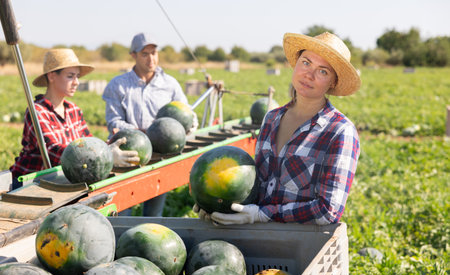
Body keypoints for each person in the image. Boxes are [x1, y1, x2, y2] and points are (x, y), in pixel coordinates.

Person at [196, 32, 361, 225]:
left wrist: (263, 215)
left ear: (333, 82)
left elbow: (328, 210)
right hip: (258, 237)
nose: (309, 74)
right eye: (306, 63)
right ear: (296, 63)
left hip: (302, 245)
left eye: (323, 71)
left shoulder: (340, 132)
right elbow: (257, 186)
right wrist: (216, 203)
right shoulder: (272, 119)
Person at [10, 48, 139, 190]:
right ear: (52, 76)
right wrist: (105, 156)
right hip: (31, 183)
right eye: (70, 76)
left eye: (77, 76)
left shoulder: (73, 110)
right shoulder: (37, 112)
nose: (76, 82)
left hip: (62, 179)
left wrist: (108, 144)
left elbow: (88, 142)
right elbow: (53, 151)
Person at [103, 32, 197, 216]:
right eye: (144, 54)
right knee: (123, 212)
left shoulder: (170, 84)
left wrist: (190, 124)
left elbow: (186, 113)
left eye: (153, 53)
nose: (151, 59)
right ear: (133, 55)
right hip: (128, 156)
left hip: (161, 154)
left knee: (154, 213)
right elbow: (114, 123)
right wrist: (144, 132)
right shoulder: (118, 85)